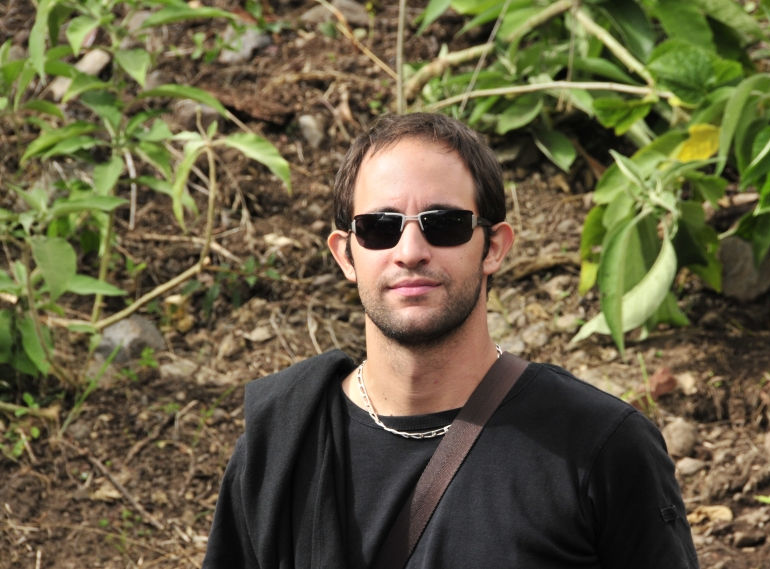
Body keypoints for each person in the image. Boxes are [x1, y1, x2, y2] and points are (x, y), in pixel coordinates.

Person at [202, 112, 699, 569]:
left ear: (494, 248)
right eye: (379, 227)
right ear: (346, 254)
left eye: (445, 225)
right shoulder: (282, 446)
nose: (410, 251)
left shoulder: (599, 446)